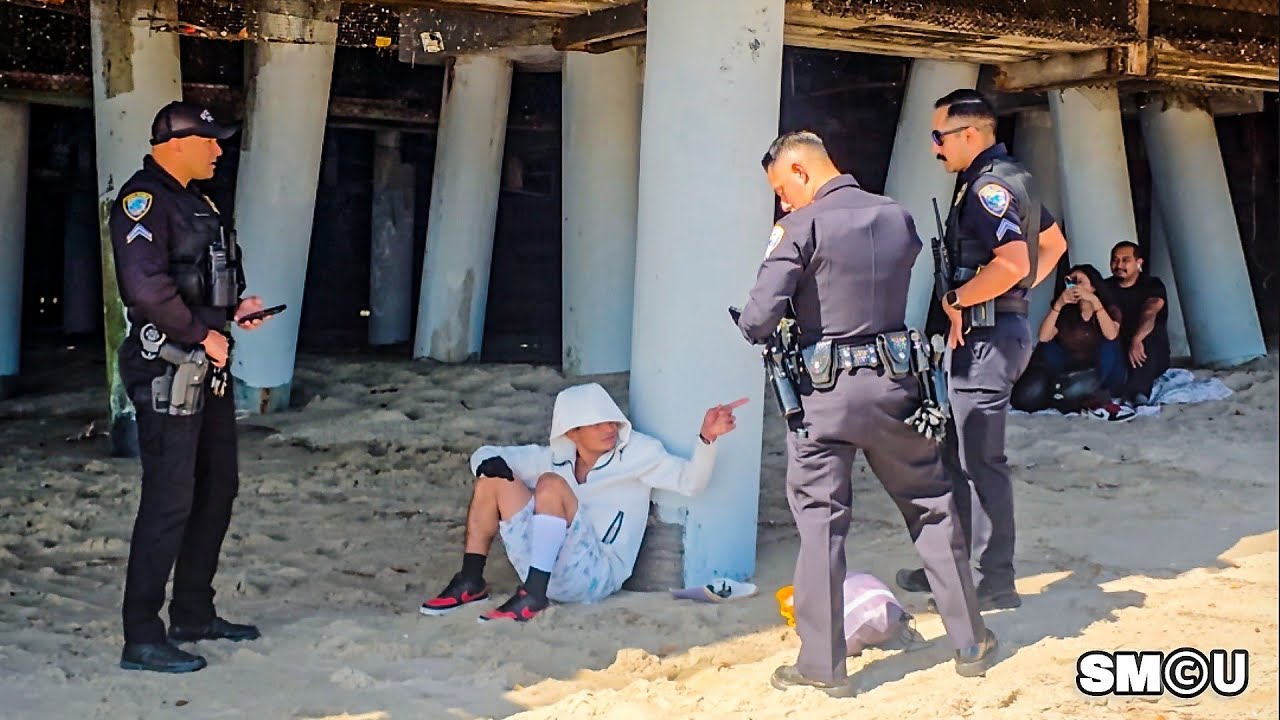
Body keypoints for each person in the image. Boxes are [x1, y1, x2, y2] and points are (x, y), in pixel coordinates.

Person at [736, 130, 997, 698]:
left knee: (821, 530)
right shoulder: (895, 216)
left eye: (783, 188)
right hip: (899, 386)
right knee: (931, 507)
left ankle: (824, 668)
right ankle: (970, 642)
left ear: (802, 172)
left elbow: (758, 321)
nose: (783, 202)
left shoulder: (800, 227)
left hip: (824, 400)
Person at [111, 101, 272, 673]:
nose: (219, 151)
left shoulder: (196, 199)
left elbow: (203, 271)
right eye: (211, 141)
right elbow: (146, 290)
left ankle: (193, 613)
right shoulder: (144, 200)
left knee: (216, 488)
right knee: (169, 499)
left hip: (205, 361)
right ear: (178, 141)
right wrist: (204, 333)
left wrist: (237, 307)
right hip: (169, 366)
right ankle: (142, 636)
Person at [896, 90, 1069, 611]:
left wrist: (961, 299)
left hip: (986, 341)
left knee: (979, 461)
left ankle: (997, 581)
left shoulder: (987, 187)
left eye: (938, 137)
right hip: (998, 332)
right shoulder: (1016, 178)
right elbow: (1054, 245)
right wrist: (1012, 299)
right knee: (955, 456)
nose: (934, 149)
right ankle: (951, 568)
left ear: (970, 134)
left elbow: (1015, 262)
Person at [420, 382, 745, 622]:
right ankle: (470, 580)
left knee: (550, 485)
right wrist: (485, 464)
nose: (610, 429)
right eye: (598, 423)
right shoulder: (555, 456)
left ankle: (533, 597)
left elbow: (691, 483)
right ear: (572, 432)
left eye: (612, 421)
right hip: (540, 564)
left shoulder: (638, 454)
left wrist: (707, 439)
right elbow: (487, 454)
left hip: (595, 575)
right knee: (494, 476)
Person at [1017, 264, 1135, 421]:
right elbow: (1044, 337)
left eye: (1080, 282)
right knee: (1024, 397)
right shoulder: (1067, 312)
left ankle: (1088, 394)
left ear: (1093, 286)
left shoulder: (1110, 310)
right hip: (1069, 367)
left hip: (1100, 369)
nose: (1074, 286)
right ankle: (1058, 390)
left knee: (1069, 393)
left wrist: (1094, 301)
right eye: (1071, 282)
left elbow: (1111, 335)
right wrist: (1058, 305)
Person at [1106, 241, 1171, 405]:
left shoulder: (1152, 285)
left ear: (1138, 263)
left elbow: (1150, 312)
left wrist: (1136, 340)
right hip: (1119, 346)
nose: (1119, 265)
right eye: (1115, 260)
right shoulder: (1105, 286)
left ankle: (1139, 393)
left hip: (1151, 351)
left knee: (1146, 339)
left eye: (1125, 260)